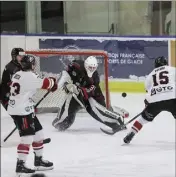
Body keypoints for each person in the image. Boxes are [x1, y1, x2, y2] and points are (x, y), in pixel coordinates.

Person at [7, 54, 58, 175]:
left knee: (39, 135)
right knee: (27, 138)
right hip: (21, 111)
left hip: (25, 108)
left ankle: (38, 161)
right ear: (32, 64)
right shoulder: (29, 76)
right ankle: (20, 165)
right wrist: (53, 81)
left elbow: (36, 84)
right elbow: (47, 84)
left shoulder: (17, 74)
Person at [52, 56, 127, 132]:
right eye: (90, 67)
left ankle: (116, 121)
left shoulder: (95, 77)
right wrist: (59, 83)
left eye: (93, 68)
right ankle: (60, 121)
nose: (91, 69)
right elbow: (65, 73)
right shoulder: (76, 65)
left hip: (88, 98)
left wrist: (75, 88)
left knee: (98, 111)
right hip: (75, 97)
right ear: (86, 65)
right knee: (61, 124)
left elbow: (92, 93)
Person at [123, 56, 176, 144]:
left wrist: (147, 103)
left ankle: (131, 133)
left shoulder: (150, 75)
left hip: (155, 101)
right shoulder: (172, 69)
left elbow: (148, 91)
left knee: (142, 120)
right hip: (172, 98)